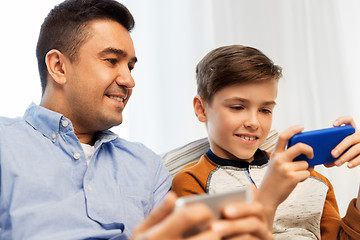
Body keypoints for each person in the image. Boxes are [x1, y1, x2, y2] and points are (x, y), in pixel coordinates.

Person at [0, 1, 274, 239]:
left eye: (130, 66)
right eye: (111, 61)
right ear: (59, 67)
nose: (129, 80)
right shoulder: (6, 144)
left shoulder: (146, 166)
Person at [172, 45, 360, 239]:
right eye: (237, 107)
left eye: (265, 110)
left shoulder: (313, 180)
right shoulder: (191, 182)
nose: (254, 123)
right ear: (201, 109)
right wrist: (269, 199)